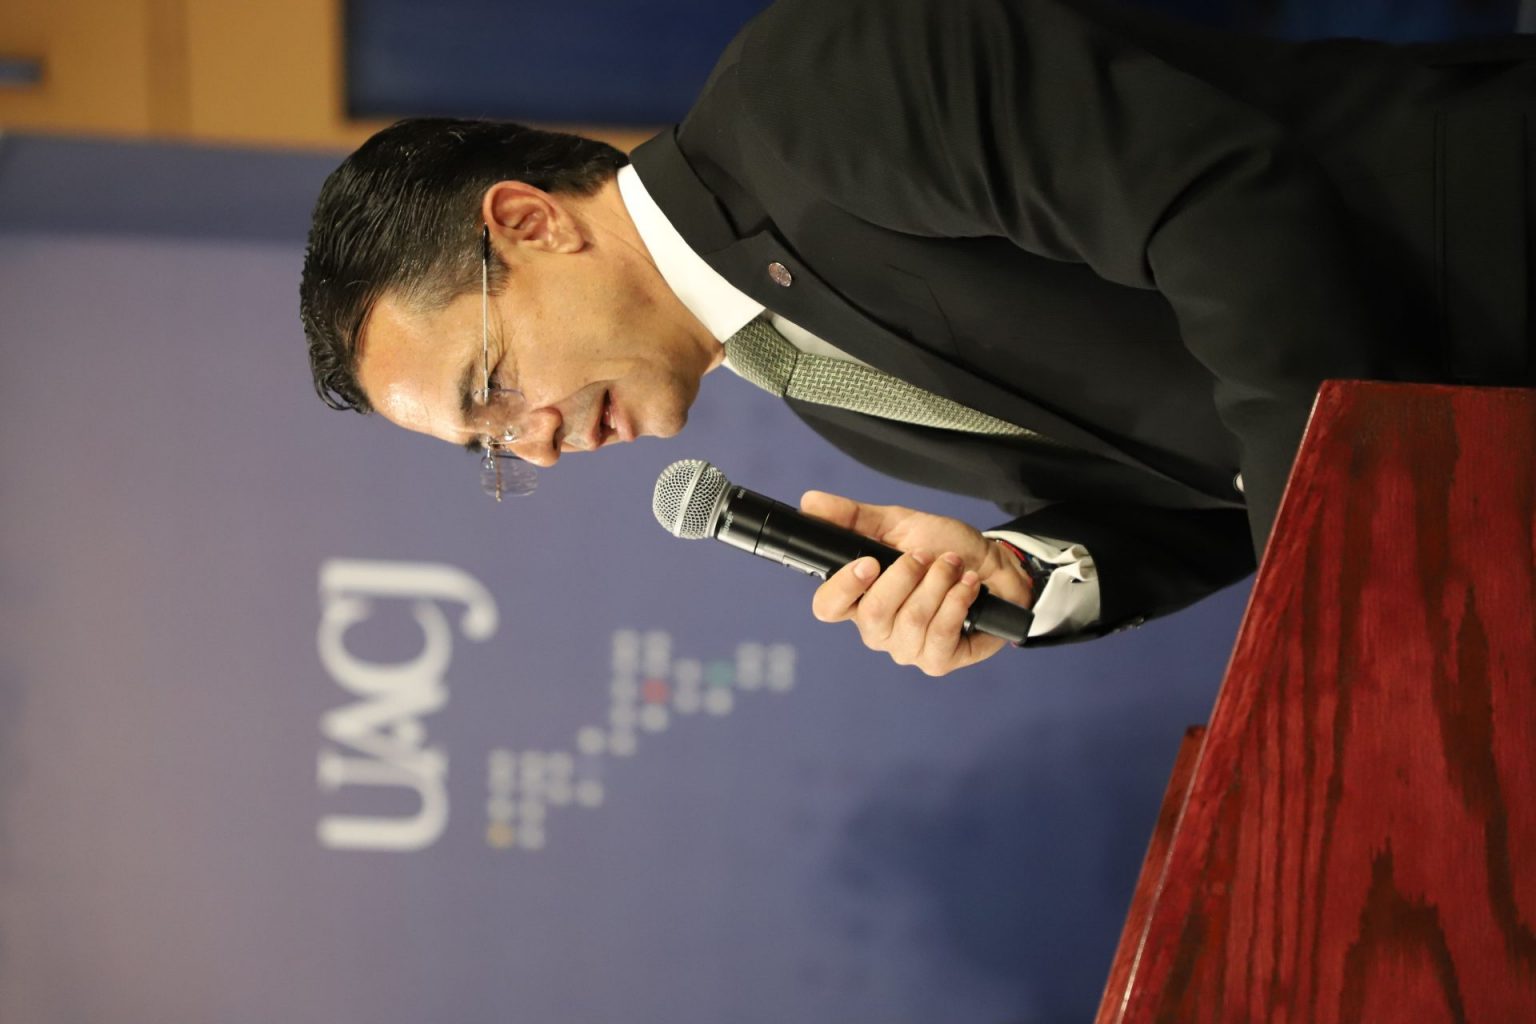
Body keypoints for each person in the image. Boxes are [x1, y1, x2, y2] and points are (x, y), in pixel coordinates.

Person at [299, 0, 1535, 675]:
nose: (534, 443)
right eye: (493, 448)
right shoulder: (808, 380)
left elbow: (1217, 204)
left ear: (528, 222)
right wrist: (1024, 575)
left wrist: (1344, 576)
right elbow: (1211, 489)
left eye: (493, 386)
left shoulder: (810, 87)